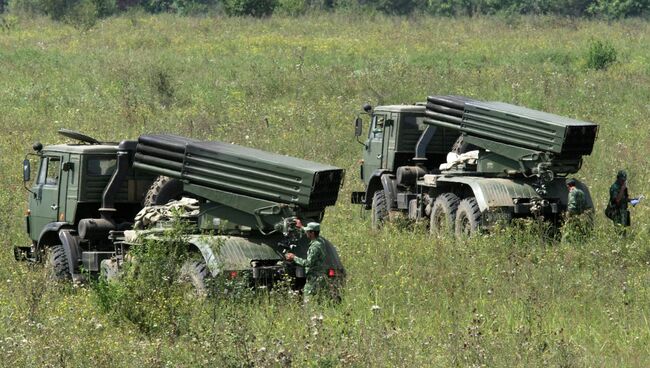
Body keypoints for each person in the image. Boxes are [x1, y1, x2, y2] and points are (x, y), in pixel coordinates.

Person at [285, 222, 326, 304]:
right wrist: (301, 227)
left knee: (308, 300)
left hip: (313, 278)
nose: (306, 233)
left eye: (308, 231)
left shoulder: (314, 247)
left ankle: (310, 314)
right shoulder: (320, 241)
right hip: (319, 276)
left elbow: (308, 263)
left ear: (312, 233)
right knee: (319, 299)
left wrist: (294, 257)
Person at [563, 178, 591, 243]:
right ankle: (581, 241)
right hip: (580, 214)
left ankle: (565, 244)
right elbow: (585, 204)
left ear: (568, 185)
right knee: (579, 229)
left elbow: (572, 204)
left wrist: (568, 214)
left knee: (567, 230)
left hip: (573, 214)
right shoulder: (581, 192)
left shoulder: (572, 192)